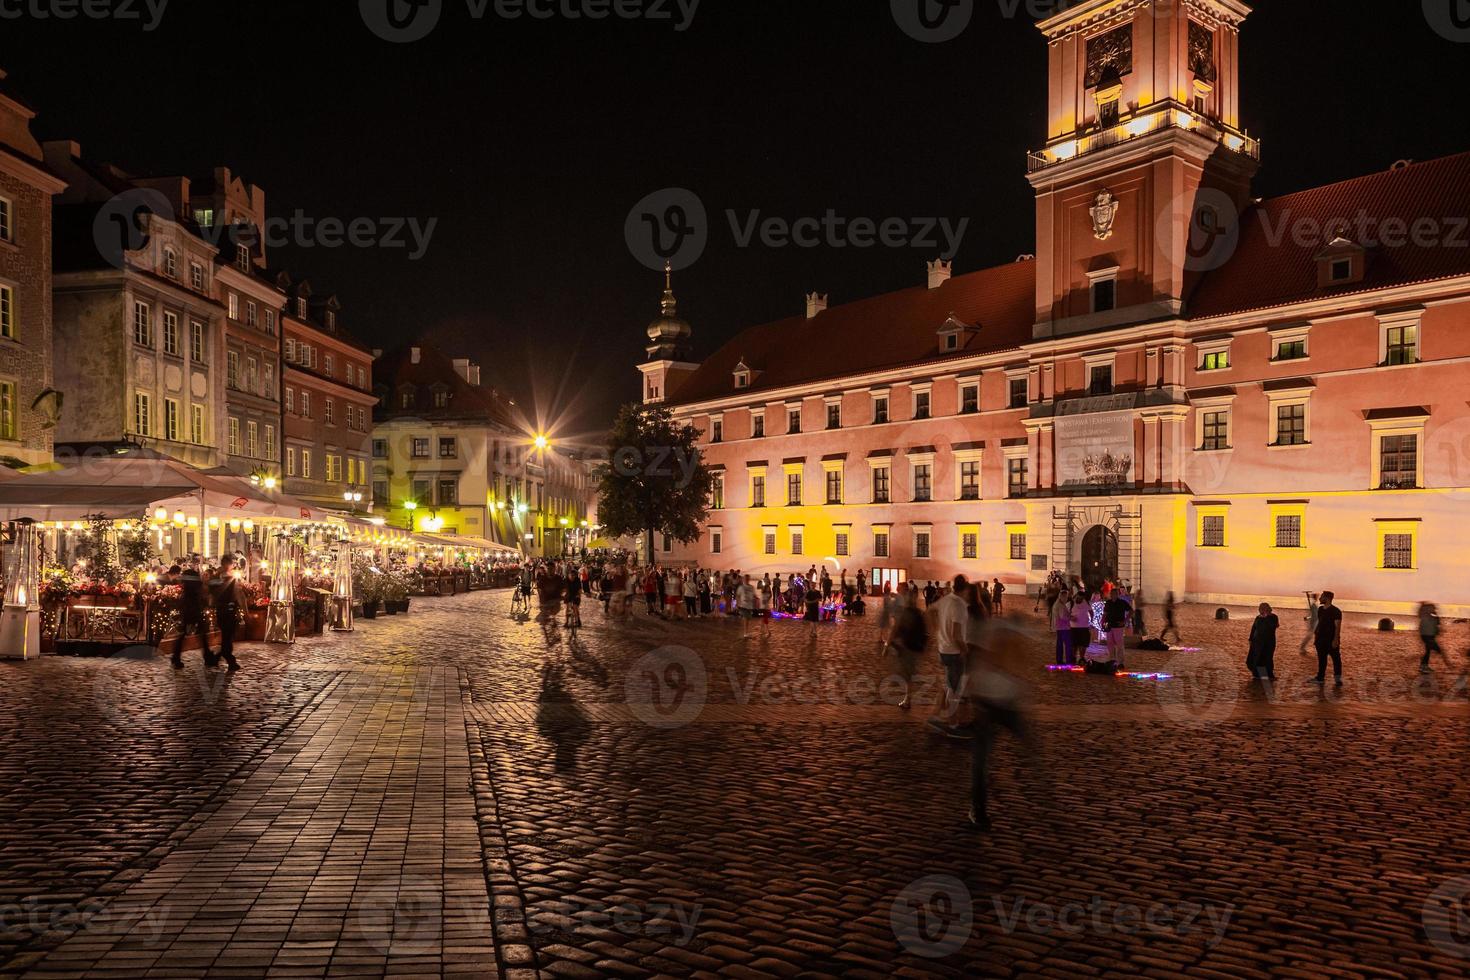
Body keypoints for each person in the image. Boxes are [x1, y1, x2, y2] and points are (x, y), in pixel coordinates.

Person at [927, 575, 971, 734]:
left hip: (943, 649)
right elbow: (956, 634)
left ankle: (935, 716)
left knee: (948, 684)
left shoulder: (946, 600)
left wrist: (936, 631)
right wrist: (965, 651)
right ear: (965, 589)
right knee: (954, 689)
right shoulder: (959, 605)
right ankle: (953, 724)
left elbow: (929, 610)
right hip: (954, 651)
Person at [887, 589, 926, 709]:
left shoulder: (905, 612)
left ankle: (907, 698)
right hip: (913, 646)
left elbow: (896, 629)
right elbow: (925, 630)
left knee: (907, 673)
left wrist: (888, 644)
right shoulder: (919, 613)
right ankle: (906, 697)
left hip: (907, 646)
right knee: (908, 672)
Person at [171, 566, 214, 669]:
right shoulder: (194, 580)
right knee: (198, 632)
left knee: (188, 633)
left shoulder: (189, 579)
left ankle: (176, 656)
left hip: (189, 607)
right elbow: (199, 592)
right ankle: (206, 656)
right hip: (193, 608)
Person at [209, 556, 244, 671]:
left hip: (225, 609)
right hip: (225, 610)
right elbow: (232, 594)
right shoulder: (223, 576)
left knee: (227, 637)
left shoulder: (222, 576)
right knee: (227, 636)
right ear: (227, 564)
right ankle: (230, 660)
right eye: (231, 563)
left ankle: (216, 658)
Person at [1312, 590, 1343, 686]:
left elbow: (1337, 627)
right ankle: (1320, 677)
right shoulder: (1320, 609)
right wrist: (1316, 634)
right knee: (1322, 659)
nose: (1320, 598)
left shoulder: (1336, 611)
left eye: (1322, 597)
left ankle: (1337, 679)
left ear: (1328, 598)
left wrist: (1336, 639)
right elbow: (1320, 622)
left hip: (1330, 639)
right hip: (1320, 639)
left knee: (1336, 659)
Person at [1247, 602, 1279, 681]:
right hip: (1257, 641)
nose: (1260, 610)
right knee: (1257, 658)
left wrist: (1266, 618)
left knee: (1267, 658)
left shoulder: (1273, 617)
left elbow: (1273, 626)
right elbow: (1254, 628)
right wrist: (1250, 639)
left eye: (1262, 609)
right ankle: (1258, 675)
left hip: (1269, 642)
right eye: (1260, 609)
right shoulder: (1258, 617)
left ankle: (1269, 675)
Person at [1102, 590, 1130, 668]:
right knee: (1110, 643)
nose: (1113, 595)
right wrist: (1102, 622)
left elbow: (1131, 611)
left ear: (1117, 594)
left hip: (1118, 626)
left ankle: (1120, 662)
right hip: (1109, 625)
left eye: (1114, 594)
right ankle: (1112, 659)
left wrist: (1125, 621)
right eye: (1112, 594)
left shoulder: (1122, 602)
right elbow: (1105, 613)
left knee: (1119, 644)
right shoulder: (1108, 603)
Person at [1419, 601, 1449, 672]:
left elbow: (1438, 625)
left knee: (1428, 651)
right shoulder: (1424, 617)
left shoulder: (1434, 617)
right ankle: (1448, 665)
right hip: (1427, 637)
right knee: (1438, 651)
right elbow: (1420, 614)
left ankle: (1424, 666)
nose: (1434, 610)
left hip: (1430, 636)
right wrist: (1422, 605)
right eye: (1433, 608)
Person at [1069, 589, 1094, 662]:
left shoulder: (1085, 602)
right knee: (1074, 644)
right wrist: (1070, 618)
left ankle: (1082, 658)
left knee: (1083, 644)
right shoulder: (1071, 603)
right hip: (1073, 627)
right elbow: (1066, 614)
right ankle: (1073, 657)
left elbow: (1091, 612)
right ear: (1076, 596)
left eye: (1082, 598)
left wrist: (1091, 622)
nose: (1080, 599)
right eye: (1079, 598)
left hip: (1084, 627)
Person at [1051, 590, 1074, 666]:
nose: (1067, 598)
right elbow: (1062, 616)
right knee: (1068, 644)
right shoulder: (1060, 605)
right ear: (1062, 596)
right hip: (1064, 627)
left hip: (1059, 627)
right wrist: (1070, 618)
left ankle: (1059, 660)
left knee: (1060, 644)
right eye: (1066, 597)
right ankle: (1069, 661)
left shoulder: (1057, 604)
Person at [736, 574, 758, 639]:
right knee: (746, 618)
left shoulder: (751, 587)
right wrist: (737, 603)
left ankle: (746, 631)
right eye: (745, 579)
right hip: (743, 605)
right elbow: (737, 595)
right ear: (743, 579)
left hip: (749, 605)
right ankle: (745, 633)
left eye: (748, 579)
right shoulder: (741, 587)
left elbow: (754, 595)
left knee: (748, 619)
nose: (747, 580)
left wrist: (757, 600)